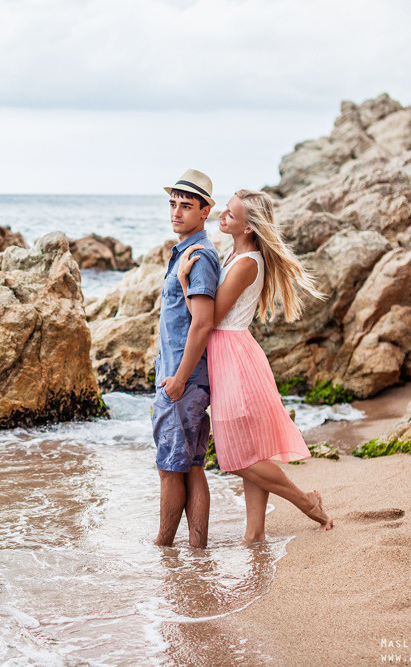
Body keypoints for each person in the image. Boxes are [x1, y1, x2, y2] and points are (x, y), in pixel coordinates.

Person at [178, 189, 333, 541]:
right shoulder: (237, 253)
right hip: (234, 353)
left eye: (230, 215)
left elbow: (211, 319)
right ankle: (255, 534)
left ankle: (306, 502)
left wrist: (185, 282)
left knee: (237, 458)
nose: (222, 217)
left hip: (232, 354)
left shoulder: (247, 262)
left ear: (248, 227)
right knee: (251, 451)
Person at [151, 169, 221, 549]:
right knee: (191, 467)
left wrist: (177, 378)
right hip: (186, 376)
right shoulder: (187, 253)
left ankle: (162, 548)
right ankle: (197, 551)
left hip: (182, 379)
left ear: (205, 210)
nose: (176, 212)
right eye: (173, 204)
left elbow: (202, 323)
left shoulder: (200, 256)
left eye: (186, 206)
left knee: (168, 469)